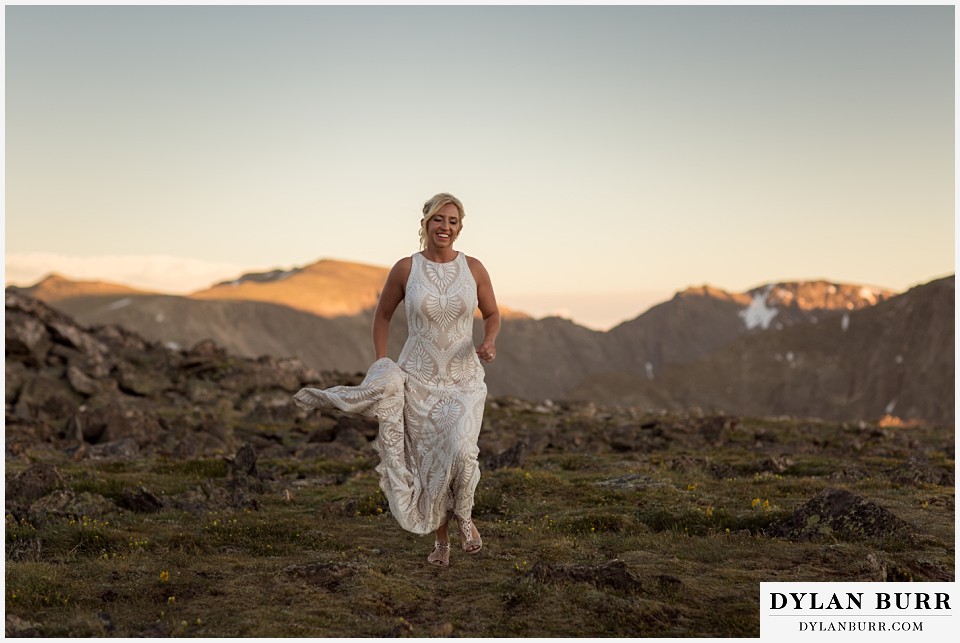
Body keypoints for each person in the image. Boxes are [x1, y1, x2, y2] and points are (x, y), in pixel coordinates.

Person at [294, 193, 500, 567]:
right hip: (419, 379)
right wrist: (383, 364)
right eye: (439, 219)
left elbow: (493, 312)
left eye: (453, 221)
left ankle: (465, 516)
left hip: (463, 379)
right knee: (429, 462)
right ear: (426, 223)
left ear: (460, 227)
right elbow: (382, 317)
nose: (446, 227)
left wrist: (488, 340)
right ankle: (442, 544)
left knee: (462, 449)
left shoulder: (475, 268)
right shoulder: (406, 269)